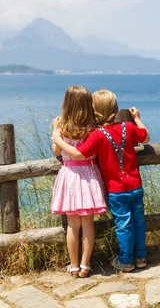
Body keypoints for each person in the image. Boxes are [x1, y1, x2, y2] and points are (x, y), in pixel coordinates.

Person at [52, 89, 150, 272]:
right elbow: (146, 136)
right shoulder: (125, 127)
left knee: (123, 225)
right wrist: (136, 118)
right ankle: (140, 257)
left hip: (115, 189)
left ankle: (126, 260)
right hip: (135, 185)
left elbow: (77, 154)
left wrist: (57, 136)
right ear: (115, 111)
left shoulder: (97, 134)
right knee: (138, 222)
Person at [50, 86, 108, 278]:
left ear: (66, 103)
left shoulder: (60, 124)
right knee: (88, 223)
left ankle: (73, 266)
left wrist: (57, 135)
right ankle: (85, 265)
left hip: (69, 175)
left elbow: (57, 152)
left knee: (72, 225)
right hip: (89, 174)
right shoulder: (93, 126)